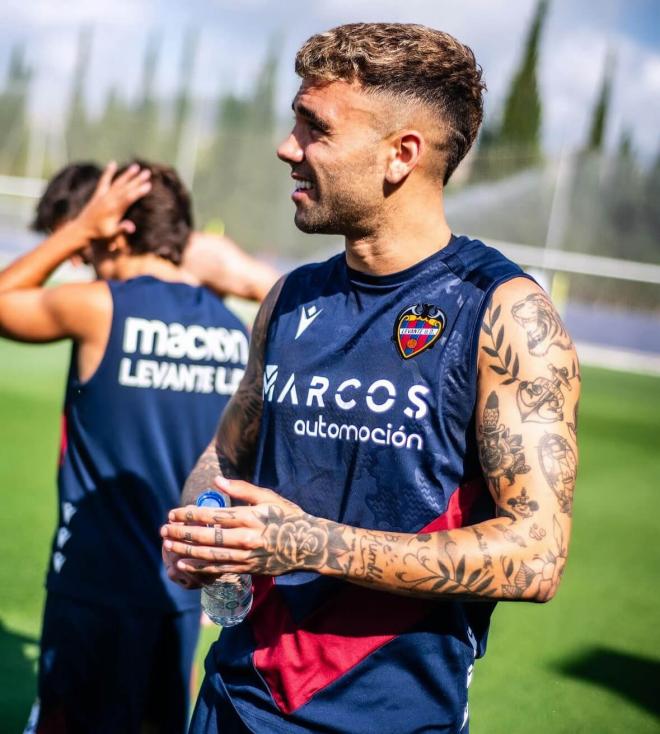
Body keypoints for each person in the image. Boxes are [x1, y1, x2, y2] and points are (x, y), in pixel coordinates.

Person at [162, 23, 580, 734]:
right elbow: (230, 450)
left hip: (388, 717)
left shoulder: (505, 314)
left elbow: (535, 555)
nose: (286, 148)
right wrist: (203, 528)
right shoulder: (291, 297)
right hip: (232, 701)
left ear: (401, 155)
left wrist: (303, 543)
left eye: (314, 129)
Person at [0, 160, 269, 734]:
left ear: (116, 230)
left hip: (91, 584)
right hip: (178, 588)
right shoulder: (231, 329)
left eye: (90, 244)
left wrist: (80, 226)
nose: (82, 260)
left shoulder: (103, 304)